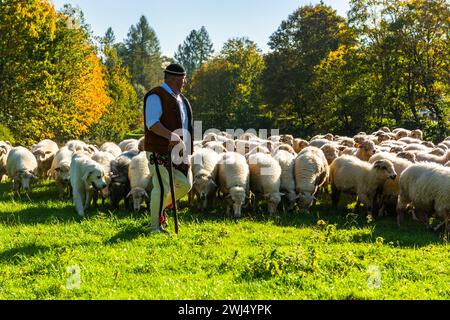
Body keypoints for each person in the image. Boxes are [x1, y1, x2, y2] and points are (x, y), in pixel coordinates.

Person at [143, 63, 194, 233]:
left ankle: (157, 209)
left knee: (185, 184)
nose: (184, 83)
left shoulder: (181, 99)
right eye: (182, 80)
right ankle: (154, 227)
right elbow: (152, 123)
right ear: (173, 79)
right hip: (159, 149)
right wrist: (170, 136)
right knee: (163, 186)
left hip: (179, 151)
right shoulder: (156, 95)